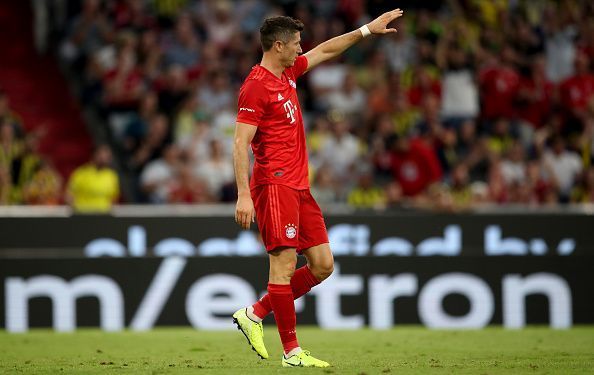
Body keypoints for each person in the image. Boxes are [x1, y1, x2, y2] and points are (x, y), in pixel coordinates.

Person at [231, 9, 404, 368]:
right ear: (277, 46)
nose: (300, 49)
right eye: (295, 44)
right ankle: (292, 352)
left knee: (324, 265)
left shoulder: (288, 73)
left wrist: (366, 30)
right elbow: (238, 142)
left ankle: (255, 313)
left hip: (299, 187)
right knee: (282, 266)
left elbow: (325, 51)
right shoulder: (257, 86)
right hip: (274, 185)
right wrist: (243, 194)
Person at [66, 144, 119, 213]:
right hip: (83, 215)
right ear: (94, 155)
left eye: (107, 156)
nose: (105, 158)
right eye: (102, 155)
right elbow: (69, 195)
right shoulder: (81, 173)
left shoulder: (112, 176)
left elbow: (114, 198)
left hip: (103, 216)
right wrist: (76, 211)